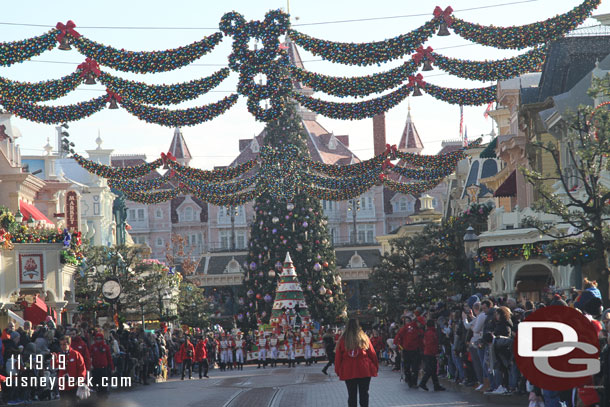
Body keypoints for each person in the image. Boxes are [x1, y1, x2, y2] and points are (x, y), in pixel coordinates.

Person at [335, 319, 378, 407]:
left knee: (352, 395)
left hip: (348, 370)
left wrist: (338, 370)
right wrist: (375, 367)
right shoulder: (364, 338)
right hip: (364, 369)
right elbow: (372, 354)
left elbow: (338, 357)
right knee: (364, 394)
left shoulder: (343, 340)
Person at [55, 335, 87, 406]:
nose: (62, 346)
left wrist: (79, 380)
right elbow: (55, 366)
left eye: (64, 344)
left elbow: (82, 368)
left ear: (69, 344)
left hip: (73, 385)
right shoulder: (59, 355)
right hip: (63, 384)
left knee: (73, 403)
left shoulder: (75, 354)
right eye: (61, 345)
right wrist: (54, 359)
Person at [418, 319, 445, 391]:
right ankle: (423, 383)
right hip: (430, 353)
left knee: (433, 370)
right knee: (431, 370)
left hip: (428, 353)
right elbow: (430, 344)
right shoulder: (431, 333)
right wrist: (435, 352)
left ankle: (436, 385)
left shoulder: (428, 332)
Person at [90, 332, 114, 396]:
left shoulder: (105, 347)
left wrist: (112, 368)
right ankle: (99, 395)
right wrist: (90, 365)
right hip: (95, 368)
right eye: (97, 339)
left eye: (100, 339)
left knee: (104, 384)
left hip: (104, 368)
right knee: (96, 383)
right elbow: (90, 357)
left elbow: (109, 358)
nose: (98, 340)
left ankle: (104, 395)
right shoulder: (93, 347)